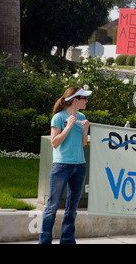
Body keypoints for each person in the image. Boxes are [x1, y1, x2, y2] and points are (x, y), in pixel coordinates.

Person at [39, 87, 91, 244]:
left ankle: (67, 240)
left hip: (79, 166)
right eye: (84, 98)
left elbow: (83, 144)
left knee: (72, 209)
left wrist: (85, 129)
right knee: (52, 207)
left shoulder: (81, 116)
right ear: (76, 100)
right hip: (61, 166)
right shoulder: (58, 118)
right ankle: (44, 241)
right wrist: (68, 126)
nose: (87, 101)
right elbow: (54, 143)